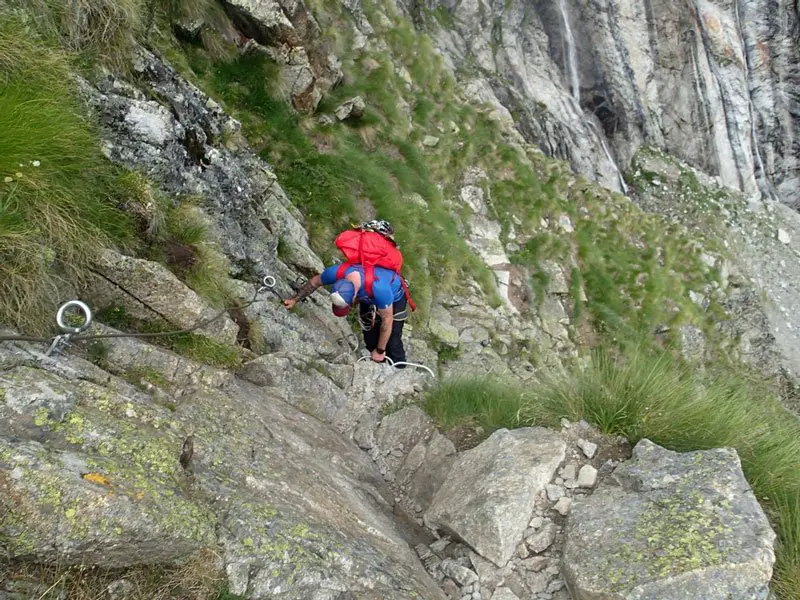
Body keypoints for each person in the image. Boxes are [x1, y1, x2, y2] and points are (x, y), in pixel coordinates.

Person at [283, 263, 408, 366]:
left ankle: (400, 369)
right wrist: (294, 300)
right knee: (370, 337)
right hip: (367, 294)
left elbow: (387, 320)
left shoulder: (379, 289)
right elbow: (314, 282)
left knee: (392, 340)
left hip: (393, 296)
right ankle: (378, 363)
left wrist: (380, 350)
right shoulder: (336, 273)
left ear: (354, 296)